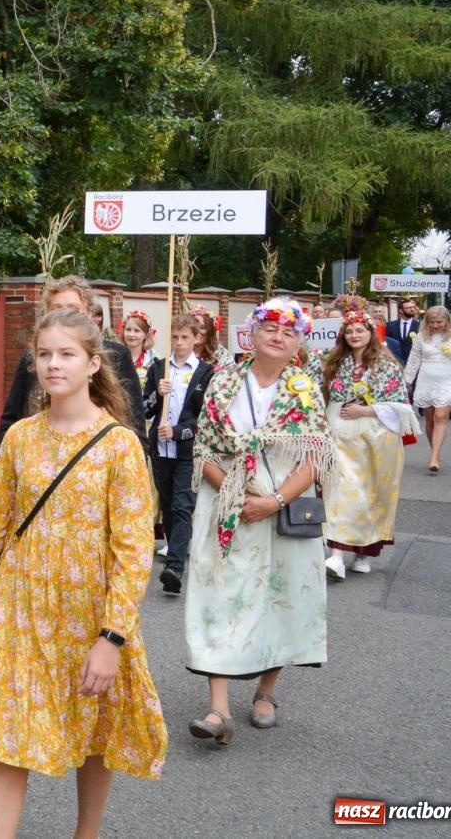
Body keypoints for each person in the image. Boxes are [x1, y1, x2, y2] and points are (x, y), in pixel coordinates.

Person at [0, 308, 165, 839]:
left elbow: (133, 551)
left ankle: (87, 833)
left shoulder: (119, 446)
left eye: (67, 354)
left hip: (89, 614)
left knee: (93, 730)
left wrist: (112, 637)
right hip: (19, 608)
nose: (53, 365)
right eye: (44, 354)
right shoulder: (19, 437)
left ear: (92, 365)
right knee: (6, 737)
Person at [184, 297, 332, 746]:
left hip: (282, 505)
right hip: (224, 500)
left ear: (298, 344)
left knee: (277, 592)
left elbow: (316, 456)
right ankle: (218, 708)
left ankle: (267, 692)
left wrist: (272, 501)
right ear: (252, 333)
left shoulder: (304, 387)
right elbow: (205, 447)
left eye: (290, 332)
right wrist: (232, 492)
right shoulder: (224, 380)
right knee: (218, 593)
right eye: (271, 327)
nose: (279, 335)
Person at [320, 310, 416, 580]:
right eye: (349, 331)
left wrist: (365, 411)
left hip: (376, 437)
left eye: (359, 330)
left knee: (370, 494)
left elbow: (401, 406)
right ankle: (336, 555)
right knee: (339, 489)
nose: (354, 335)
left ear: (370, 333)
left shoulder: (386, 364)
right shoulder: (336, 362)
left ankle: (362, 552)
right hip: (340, 434)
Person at [0, 276, 145, 447]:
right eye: (57, 309)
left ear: (90, 314)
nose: (64, 316)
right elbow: (11, 415)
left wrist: (136, 455)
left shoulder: (116, 355)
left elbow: (136, 421)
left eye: (74, 310)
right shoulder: (33, 357)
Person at [141, 314, 215, 595]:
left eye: (185, 337)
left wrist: (179, 431)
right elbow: (145, 408)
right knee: (170, 505)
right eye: (175, 337)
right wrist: (157, 395)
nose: (179, 342)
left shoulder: (205, 373)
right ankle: (177, 548)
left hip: (187, 451)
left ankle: (174, 567)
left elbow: (206, 418)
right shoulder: (159, 369)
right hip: (161, 450)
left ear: (196, 338)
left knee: (183, 503)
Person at [404, 305, 451, 474]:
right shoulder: (421, 337)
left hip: (448, 379)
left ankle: (434, 456)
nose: (435, 325)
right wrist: (407, 382)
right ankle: (435, 450)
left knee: (441, 416)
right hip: (426, 379)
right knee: (429, 420)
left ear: (447, 321)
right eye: (432, 322)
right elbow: (414, 360)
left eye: (439, 322)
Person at [189, 305, 236, 371]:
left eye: (202, 327)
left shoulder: (220, 353)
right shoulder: (180, 349)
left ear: (209, 331)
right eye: (194, 327)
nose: (197, 331)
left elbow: (232, 373)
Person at [121, 310, 158, 390]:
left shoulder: (154, 359)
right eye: (128, 330)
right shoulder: (116, 356)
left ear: (146, 335)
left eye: (137, 331)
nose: (131, 334)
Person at [385, 297, 420, 363]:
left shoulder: (419, 326)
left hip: (413, 362)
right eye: (408, 308)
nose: (412, 309)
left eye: (413, 307)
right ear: (401, 310)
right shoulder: (390, 326)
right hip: (394, 362)